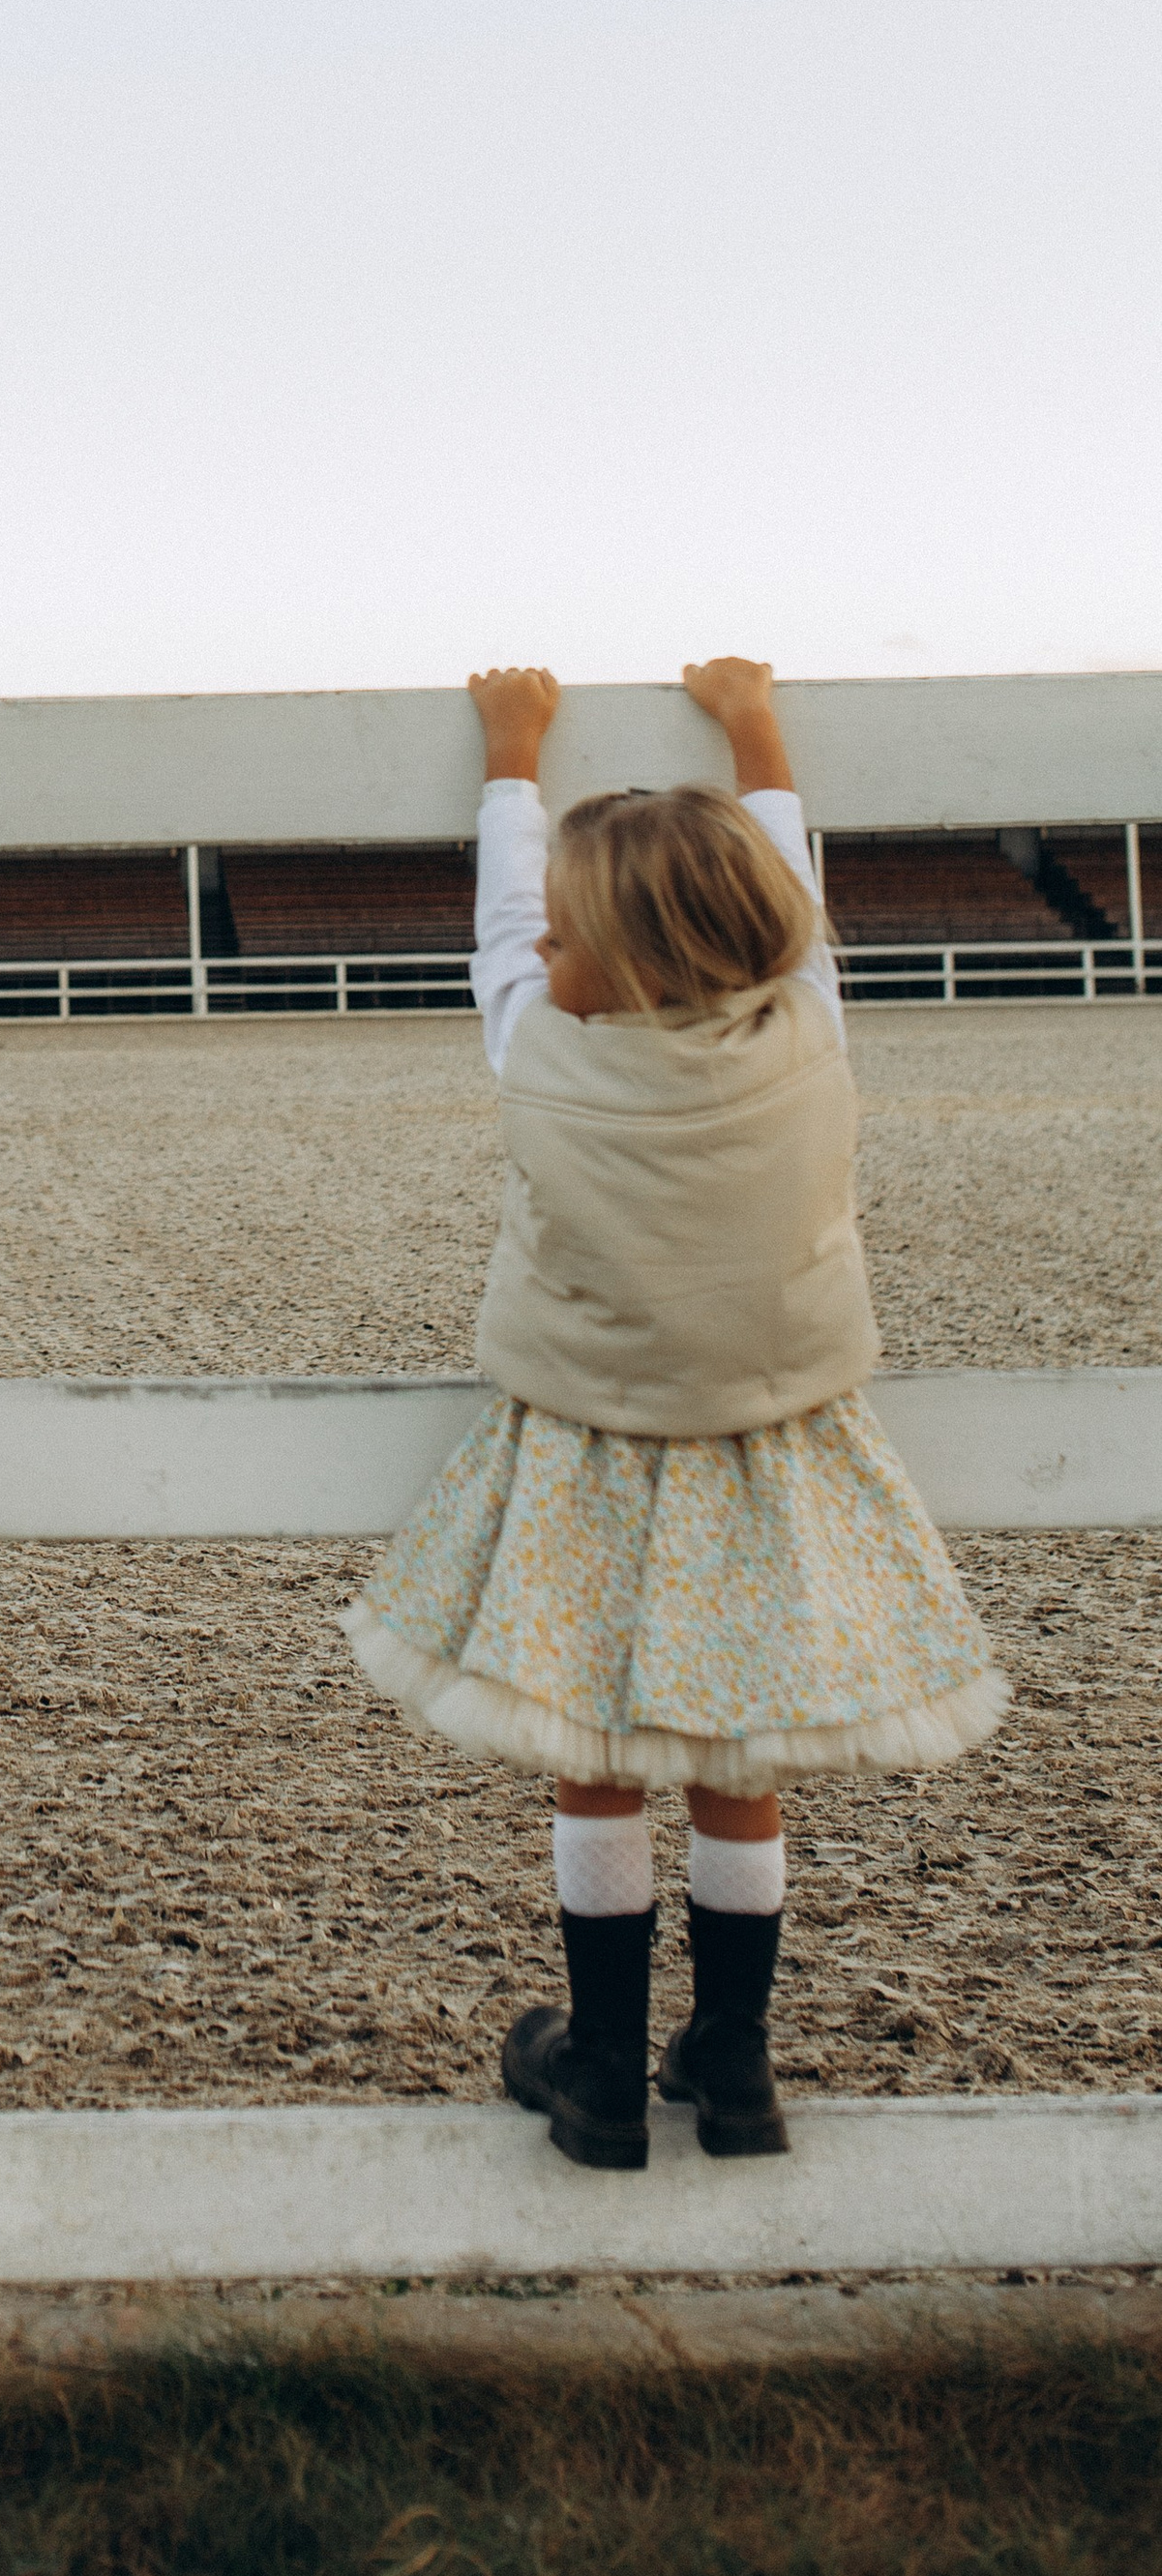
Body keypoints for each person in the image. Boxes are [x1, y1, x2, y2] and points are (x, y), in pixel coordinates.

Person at [343, 659, 1006, 2172]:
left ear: (613, 960)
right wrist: (758, 734)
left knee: (590, 1749)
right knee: (736, 1757)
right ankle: (740, 2063)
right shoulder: (809, 1036)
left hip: (585, 1446)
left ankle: (601, 2076)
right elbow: (793, 892)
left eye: (575, 931)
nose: (549, 941)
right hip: (769, 1448)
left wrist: (514, 755)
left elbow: (507, 922)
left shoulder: (539, 1050)